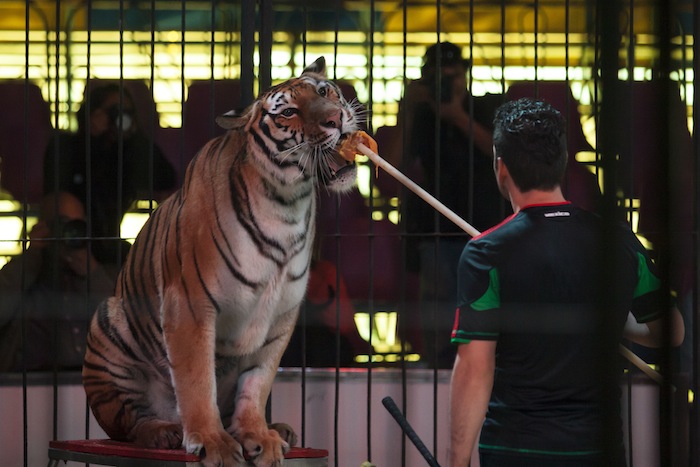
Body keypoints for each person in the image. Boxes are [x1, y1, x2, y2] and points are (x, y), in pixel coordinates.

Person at [448, 98, 685, 467]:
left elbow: (476, 367)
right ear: (562, 163)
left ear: (501, 167)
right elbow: (672, 332)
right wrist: (616, 321)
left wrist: (456, 460)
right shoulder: (619, 241)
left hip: (515, 451)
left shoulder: (486, 251)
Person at [394, 42, 507, 367]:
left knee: (487, 304)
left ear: (465, 76)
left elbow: (503, 154)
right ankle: (439, 368)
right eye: (436, 78)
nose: (444, 84)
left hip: (486, 224)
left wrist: (457, 115)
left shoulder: (486, 106)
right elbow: (391, 166)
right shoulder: (421, 114)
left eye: (451, 77)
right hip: (435, 228)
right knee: (440, 311)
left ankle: (486, 367)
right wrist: (409, 110)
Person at [43, 82, 176, 264]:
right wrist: (90, 137)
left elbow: (166, 179)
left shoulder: (126, 155)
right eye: (113, 111)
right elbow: (60, 188)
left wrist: (135, 136)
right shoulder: (65, 147)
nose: (119, 117)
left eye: (126, 112)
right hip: (65, 243)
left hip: (109, 247)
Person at [0, 191, 119, 371]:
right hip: (28, 384)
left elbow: (122, 321)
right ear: (42, 226)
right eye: (60, 224)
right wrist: (31, 256)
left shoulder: (104, 274)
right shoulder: (25, 273)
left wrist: (89, 270)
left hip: (93, 382)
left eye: (75, 225)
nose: (67, 232)